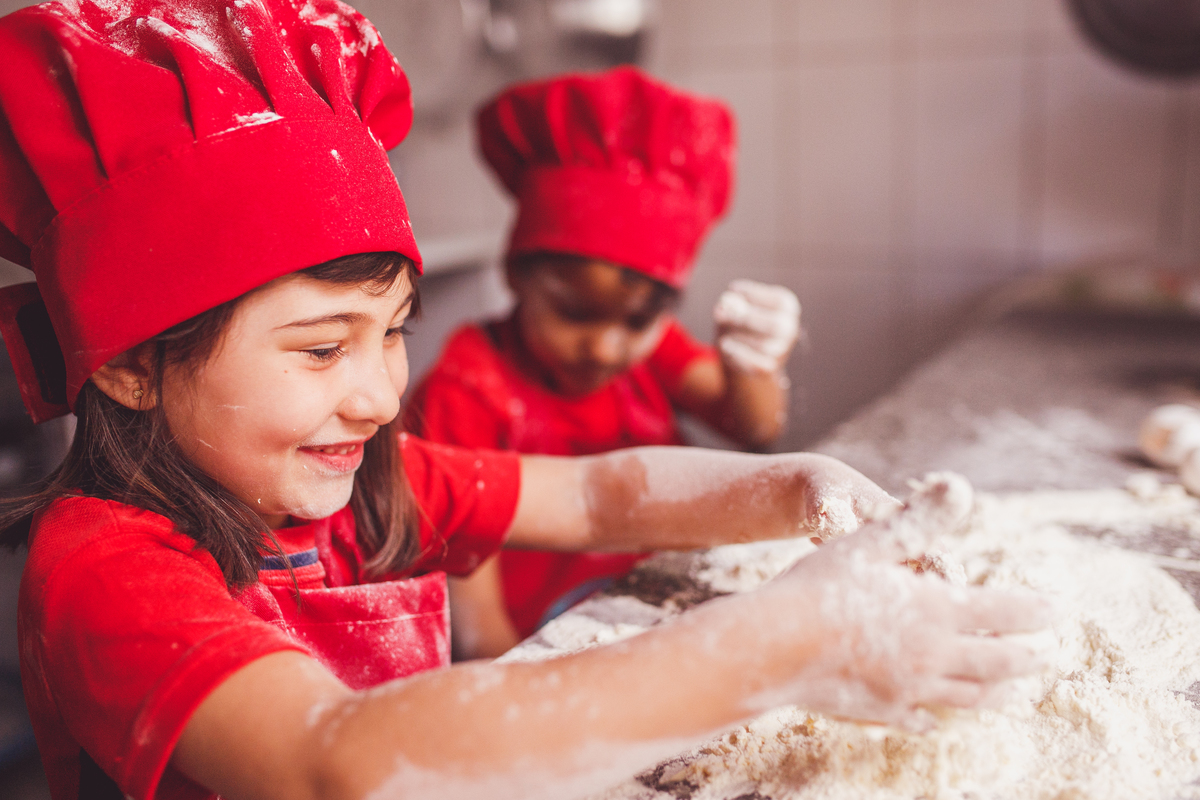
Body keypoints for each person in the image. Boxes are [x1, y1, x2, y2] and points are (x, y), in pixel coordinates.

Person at [0, 2, 1052, 799]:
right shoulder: (106, 571)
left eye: (393, 331)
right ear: (132, 363)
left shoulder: (370, 477)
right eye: (322, 348)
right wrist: (777, 646)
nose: (376, 395)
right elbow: (337, 760)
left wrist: (799, 487)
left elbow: (599, 496)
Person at [405, 68, 804, 657]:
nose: (607, 349)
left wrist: (755, 365)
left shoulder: (656, 353)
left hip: (651, 604)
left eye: (637, 323)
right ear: (515, 276)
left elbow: (754, 426)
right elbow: (476, 621)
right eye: (575, 316)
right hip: (544, 643)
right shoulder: (467, 389)